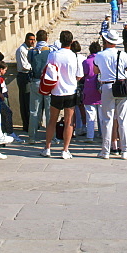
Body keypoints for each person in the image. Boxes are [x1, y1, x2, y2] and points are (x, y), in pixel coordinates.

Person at [43, 30, 84, 159]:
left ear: (60, 41)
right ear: (71, 42)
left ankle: (47, 148)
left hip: (56, 91)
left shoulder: (53, 55)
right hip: (70, 92)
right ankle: (65, 149)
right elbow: (79, 76)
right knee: (69, 122)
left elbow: (47, 71)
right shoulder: (75, 56)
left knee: (52, 121)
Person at [94, 28, 127, 159]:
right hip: (121, 86)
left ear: (105, 41)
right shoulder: (123, 55)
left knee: (107, 119)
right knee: (123, 120)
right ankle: (125, 150)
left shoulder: (100, 55)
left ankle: (105, 151)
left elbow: (95, 71)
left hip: (106, 86)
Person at [27, 30, 55, 142]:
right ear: (46, 38)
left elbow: (30, 62)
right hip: (47, 82)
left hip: (35, 81)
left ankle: (31, 137)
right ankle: (51, 137)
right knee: (49, 110)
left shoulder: (32, 51)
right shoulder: (51, 51)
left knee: (34, 111)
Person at [81, 41, 103, 140]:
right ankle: (103, 134)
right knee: (102, 116)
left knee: (90, 114)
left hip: (88, 90)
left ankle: (90, 136)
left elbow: (84, 75)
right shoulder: (102, 61)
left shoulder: (86, 62)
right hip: (101, 90)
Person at [15, 32, 36, 134]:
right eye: (30, 40)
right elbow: (24, 66)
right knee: (25, 101)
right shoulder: (21, 50)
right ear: (26, 40)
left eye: (33, 40)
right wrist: (35, 67)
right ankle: (26, 125)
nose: (32, 42)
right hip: (24, 76)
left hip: (29, 76)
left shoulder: (30, 49)